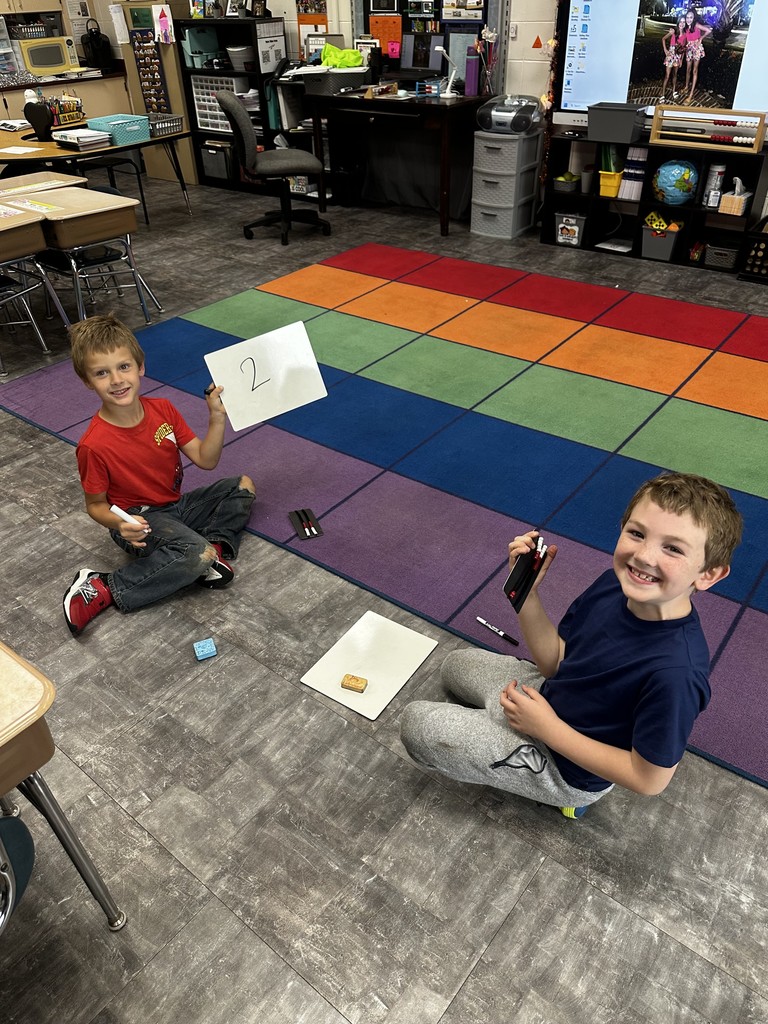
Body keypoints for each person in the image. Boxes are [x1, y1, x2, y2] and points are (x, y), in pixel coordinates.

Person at [400, 472, 742, 819]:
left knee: (416, 726)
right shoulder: (614, 584)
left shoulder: (676, 674)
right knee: (453, 666)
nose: (643, 556)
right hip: (551, 697)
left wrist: (547, 729)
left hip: (567, 767)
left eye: (673, 548)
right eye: (636, 533)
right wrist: (525, 594)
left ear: (709, 574)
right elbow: (556, 664)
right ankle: (505, 729)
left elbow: (649, 779)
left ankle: (570, 797)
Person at [63, 314, 256, 635]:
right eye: (101, 373)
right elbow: (95, 505)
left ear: (140, 367)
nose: (116, 380)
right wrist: (120, 523)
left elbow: (206, 460)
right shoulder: (93, 445)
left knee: (243, 486)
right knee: (196, 552)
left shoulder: (164, 409)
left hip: (174, 508)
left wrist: (217, 416)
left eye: (123, 367)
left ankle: (210, 555)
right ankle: (106, 584)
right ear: (87, 381)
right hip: (138, 520)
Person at [682, 8, 712, 103]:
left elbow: (708, 30)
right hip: (689, 48)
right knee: (688, 69)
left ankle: (690, 95)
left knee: (694, 71)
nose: (689, 19)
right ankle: (686, 87)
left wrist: (701, 38)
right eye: (687, 17)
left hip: (697, 48)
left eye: (691, 17)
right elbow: (685, 39)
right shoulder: (686, 27)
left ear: (694, 18)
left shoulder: (697, 25)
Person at [659, 16, 687, 102]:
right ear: (678, 23)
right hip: (670, 55)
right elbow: (663, 39)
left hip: (678, 56)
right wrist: (665, 50)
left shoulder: (685, 34)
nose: (682, 24)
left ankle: (674, 91)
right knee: (667, 76)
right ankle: (662, 94)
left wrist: (681, 60)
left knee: (675, 75)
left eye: (683, 22)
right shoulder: (673, 31)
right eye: (681, 22)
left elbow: (683, 49)